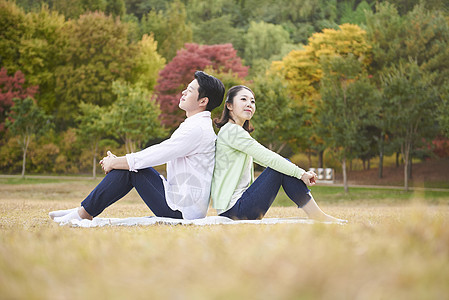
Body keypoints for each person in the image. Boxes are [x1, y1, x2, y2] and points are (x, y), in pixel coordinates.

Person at [50, 71, 225, 223]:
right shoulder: (195, 125)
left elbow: (160, 152)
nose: (183, 92)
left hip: (183, 211)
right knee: (131, 166)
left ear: (203, 101)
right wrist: (120, 161)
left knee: (132, 168)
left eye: (190, 90)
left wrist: (117, 162)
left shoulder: (198, 129)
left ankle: (83, 213)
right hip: (178, 200)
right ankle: (83, 211)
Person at [211, 85, 346, 222]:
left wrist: (297, 173)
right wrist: (301, 173)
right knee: (281, 167)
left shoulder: (233, 131)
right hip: (235, 211)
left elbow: (264, 160)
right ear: (229, 106)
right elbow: (268, 158)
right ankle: (318, 215)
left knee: (282, 167)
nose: (249, 104)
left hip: (237, 208)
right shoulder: (232, 131)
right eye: (243, 99)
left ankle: (317, 215)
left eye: (252, 101)